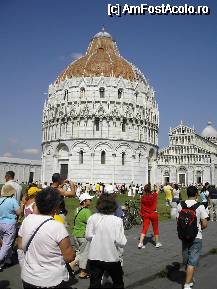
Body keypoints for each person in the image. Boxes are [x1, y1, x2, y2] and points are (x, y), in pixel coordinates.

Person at [17, 187, 75, 289]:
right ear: (56, 206)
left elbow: (20, 245)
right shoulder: (57, 226)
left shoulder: (27, 220)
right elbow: (69, 257)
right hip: (51, 280)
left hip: (29, 277)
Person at [86, 194, 127, 289]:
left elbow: (88, 236)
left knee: (94, 284)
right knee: (118, 282)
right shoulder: (117, 221)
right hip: (111, 257)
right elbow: (121, 242)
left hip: (95, 256)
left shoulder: (92, 218)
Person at [177, 186, 208, 289]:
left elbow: (178, 220)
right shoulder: (200, 206)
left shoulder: (180, 205)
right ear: (196, 195)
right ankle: (186, 285)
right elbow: (205, 223)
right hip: (196, 236)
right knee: (192, 261)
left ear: (186, 194)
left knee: (186, 259)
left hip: (184, 236)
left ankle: (189, 280)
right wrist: (199, 228)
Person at [69, 192, 94, 279]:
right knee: (84, 254)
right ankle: (80, 271)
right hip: (83, 235)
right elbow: (91, 224)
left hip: (75, 234)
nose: (91, 200)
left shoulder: (76, 209)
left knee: (79, 252)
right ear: (84, 201)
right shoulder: (87, 211)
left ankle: (77, 268)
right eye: (89, 199)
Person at [0, 184, 22, 270]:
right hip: (9, 224)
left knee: (3, 243)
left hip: (0, 222)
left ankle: (7, 259)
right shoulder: (12, 201)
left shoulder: (0, 200)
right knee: (7, 244)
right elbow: (19, 212)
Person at [138, 184, 162, 249]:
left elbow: (142, 207)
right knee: (155, 228)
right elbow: (158, 191)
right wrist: (157, 186)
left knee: (145, 228)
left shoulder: (142, 197)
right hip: (153, 213)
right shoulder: (153, 195)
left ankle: (140, 243)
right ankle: (157, 243)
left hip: (146, 214)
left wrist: (142, 215)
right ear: (150, 189)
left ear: (144, 190)